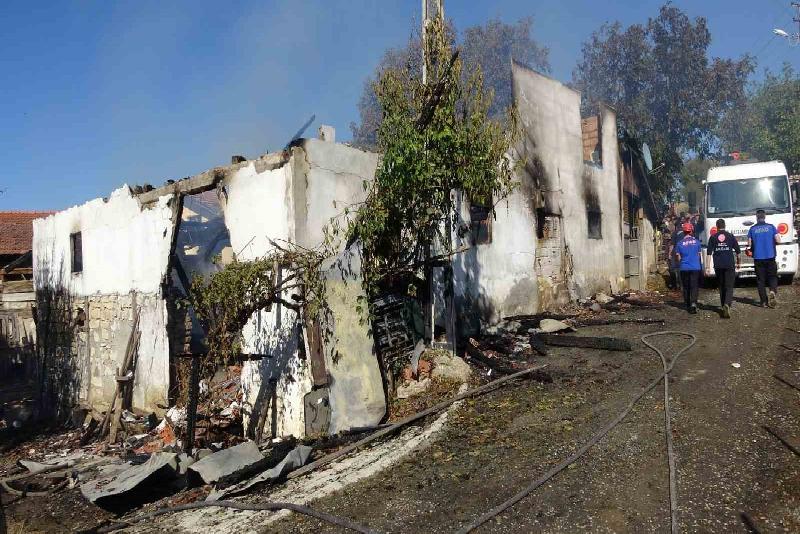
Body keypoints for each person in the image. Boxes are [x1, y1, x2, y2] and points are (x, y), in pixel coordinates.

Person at [706, 219, 740, 318]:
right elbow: (738, 251)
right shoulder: (730, 236)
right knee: (729, 286)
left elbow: (709, 253)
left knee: (721, 286)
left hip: (718, 265)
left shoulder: (713, 237)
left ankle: (723, 305)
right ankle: (727, 304)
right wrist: (738, 263)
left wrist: (707, 267)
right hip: (729, 264)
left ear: (717, 226)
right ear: (725, 226)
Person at [747, 209, 780, 308]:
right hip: (770, 256)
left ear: (756, 217)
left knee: (760, 280)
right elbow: (778, 240)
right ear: (764, 216)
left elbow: (749, 244)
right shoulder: (771, 227)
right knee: (772, 276)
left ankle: (764, 302)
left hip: (758, 258)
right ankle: (772, 291)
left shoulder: (752, 229)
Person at [675, 222, 702, 314]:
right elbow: (699, 255)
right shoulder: (697, 242)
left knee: (686, 286)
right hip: (695, 267)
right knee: (694, 286)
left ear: (683, 232)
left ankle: (687, 304)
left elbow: (678, 257)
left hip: (684, 267)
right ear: (691, 231)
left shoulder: (679, 243)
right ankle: (693, 303)